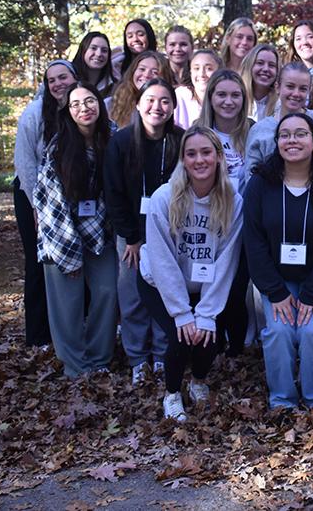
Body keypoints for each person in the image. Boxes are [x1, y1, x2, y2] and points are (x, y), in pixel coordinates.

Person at [243, 113, 313, 412]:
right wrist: (275, 292)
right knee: (278, 331)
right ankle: (282, 401)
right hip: (276, 280)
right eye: (285, 135)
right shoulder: (259, 185)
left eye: (300, 134)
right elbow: (253, 242)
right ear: (277, 143)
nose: (292, 140)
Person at [139, 126, 244, 421]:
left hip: (205, 282)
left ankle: (198, 380)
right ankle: (172, 394)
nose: (200, 160)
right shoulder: (164, 198)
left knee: (209, 334)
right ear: (183, 159)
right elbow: (163, 261)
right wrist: (182, 312)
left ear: (219, 157)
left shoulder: (233, 201)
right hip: (159, 282)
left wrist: (207, 312)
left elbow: (226, 259)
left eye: (206, 152)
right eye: (192, 153)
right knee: (181, 335)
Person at [33, 82, 118, 377]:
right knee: (66, 304)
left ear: (99, 103)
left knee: (108, 291)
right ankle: (75, 365)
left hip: (102, 232)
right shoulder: (58, 148)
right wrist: (67, 255)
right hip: (61, 233)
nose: (85, 108)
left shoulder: (113, 137)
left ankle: (99, 358)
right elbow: (49, 203)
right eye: (76, 104)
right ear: (68, 112)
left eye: (90, 100)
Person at [104, 78, 181, 384]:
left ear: (173, 106)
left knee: (165, 293)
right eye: (150, 100)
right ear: (138, 104)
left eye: (164, 101)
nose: (157, 107)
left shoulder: (179, 140)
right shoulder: (121, 142)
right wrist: (132, 237)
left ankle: (162, 355)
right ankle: (138, 358)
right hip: (131, 234)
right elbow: (113, 192)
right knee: (133, 295)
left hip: (169, 233)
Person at [13, 59, 77, 349]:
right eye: (52, 80)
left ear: (74, 77)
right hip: (33, 196)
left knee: (71, 262)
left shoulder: (80, 108)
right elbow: (26, 164)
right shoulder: (35, 113)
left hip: (68, 197)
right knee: (39, 263)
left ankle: (71, 328)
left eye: (63, 77)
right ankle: (38, 336)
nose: (58, 84)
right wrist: (36, 208)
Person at [197, 69, 255, 355]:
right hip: (206, 226)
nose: (228, 101)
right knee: (208, 284)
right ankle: (212, 346)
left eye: (235, 95)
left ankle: (237, 350)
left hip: (243, 226)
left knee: (237, 289)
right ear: (211, 98)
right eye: (222, 94)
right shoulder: (197, 131)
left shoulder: (253, 130)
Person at [244, 62, 313, 183]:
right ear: (278, 87)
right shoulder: (259, 130)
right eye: (290, 86)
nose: (296, 94)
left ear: (309, 91)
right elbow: (251, 178)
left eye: (302, 89)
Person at [108, 51, 172, 130]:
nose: (146, 75)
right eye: (142, 69)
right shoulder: (111, 103)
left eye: (155, 72)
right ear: (133, 71)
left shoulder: (169, 105)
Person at [174, 50, 221, 129]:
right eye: (196, 68)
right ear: (190, 72)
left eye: (209, 68)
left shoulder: (225, 98)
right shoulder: (180, 95)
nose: (202, 74)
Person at [240, 43, 280, 122]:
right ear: (250, 66)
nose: (265, 69)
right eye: (260, 63)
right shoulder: (238, 98)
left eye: (271, 65)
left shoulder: (280, 104)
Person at [71, 32, 115, 97]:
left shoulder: (115, 87)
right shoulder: (69, 81)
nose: (99, 54)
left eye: (104, 50)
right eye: (93, 48)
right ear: (83, 50)